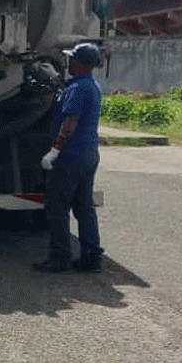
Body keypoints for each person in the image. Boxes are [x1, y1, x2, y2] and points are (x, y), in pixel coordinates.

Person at [34, 42, 104, 273]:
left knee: (57, 206)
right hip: (89, 154)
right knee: (84, 208)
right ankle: (91, 257)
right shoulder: (92, 86)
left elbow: (69, 124)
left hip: (70, 156)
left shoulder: (76, 90)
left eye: (71, 59)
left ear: (79, 63)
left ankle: (59, 258)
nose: (68, 62)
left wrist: (55, 150)